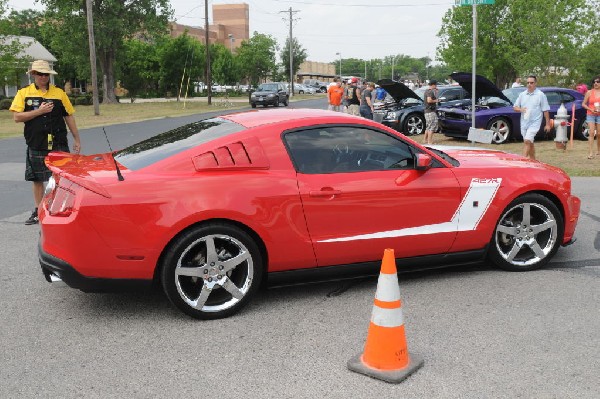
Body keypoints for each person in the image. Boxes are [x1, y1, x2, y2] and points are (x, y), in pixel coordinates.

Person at [9, 60, 81, 225]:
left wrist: (77, 138)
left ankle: (60, 208)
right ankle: (38, 209)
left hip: (58, 141)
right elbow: (17, 117)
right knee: (37, 178)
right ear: (33, 74)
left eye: (46, 74)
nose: (43, 77)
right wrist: (39, 111)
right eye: (40, 74)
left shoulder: (59, 93)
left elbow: (68, 116)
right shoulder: (24, 93)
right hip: (36, 141)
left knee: (61, 177)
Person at [513, 75, 550, 161]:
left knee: (527, 141)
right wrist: (521, 109)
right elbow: (515, 107)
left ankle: (521, 163)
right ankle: (533, 161)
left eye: (531, 83)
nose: (529, 84)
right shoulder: (522, 95)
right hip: (524, 122)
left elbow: (545, 110)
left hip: (535, 123)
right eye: (528, 83)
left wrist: (547, 124)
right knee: (530, 142)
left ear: (535, 83)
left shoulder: (541, 95)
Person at [582, 75, 600, 159]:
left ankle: (598, 150)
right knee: (591, 133)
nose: (595, 83)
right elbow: (583, 104)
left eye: (597, 82)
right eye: (594, 82)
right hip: (591, 114)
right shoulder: (589, 92)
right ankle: (590, 152)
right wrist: (590, 109)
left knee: (599, 134)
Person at [423, 79, 440, 145]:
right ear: (433, 85)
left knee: (428, 126)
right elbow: (429, 100)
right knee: (432, 126)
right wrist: (437, 100)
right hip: (430, 111)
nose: (436, 86)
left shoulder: (427, 91)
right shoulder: (430, 92)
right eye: (436, 84)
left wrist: (436, 93)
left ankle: (425, 140)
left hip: (427, 111)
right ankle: (430, 142)